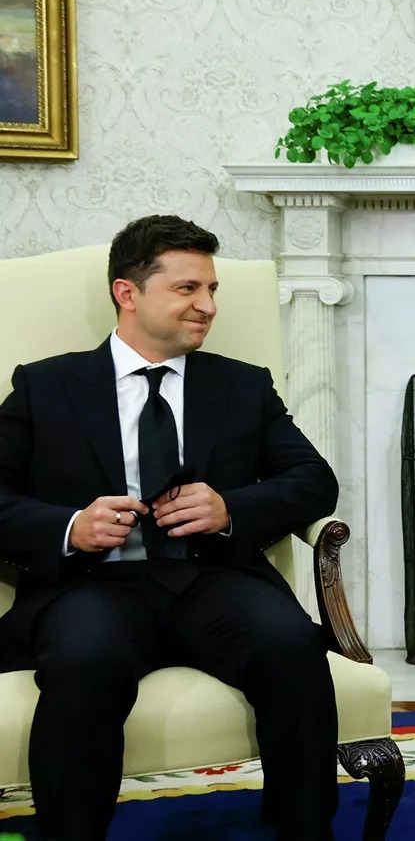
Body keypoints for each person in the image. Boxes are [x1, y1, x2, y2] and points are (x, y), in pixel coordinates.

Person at [0, 215, 340, 841]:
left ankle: (305, 830)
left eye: (212, 289)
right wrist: (70, 526)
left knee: (292, 644)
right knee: (85, 659)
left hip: (215, 580)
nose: (208, 306)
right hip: (91, 585)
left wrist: (231, 509)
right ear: (127, 293)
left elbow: (314, 481)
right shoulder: (45, 385)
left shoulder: (242, 385)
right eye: (188, 288)